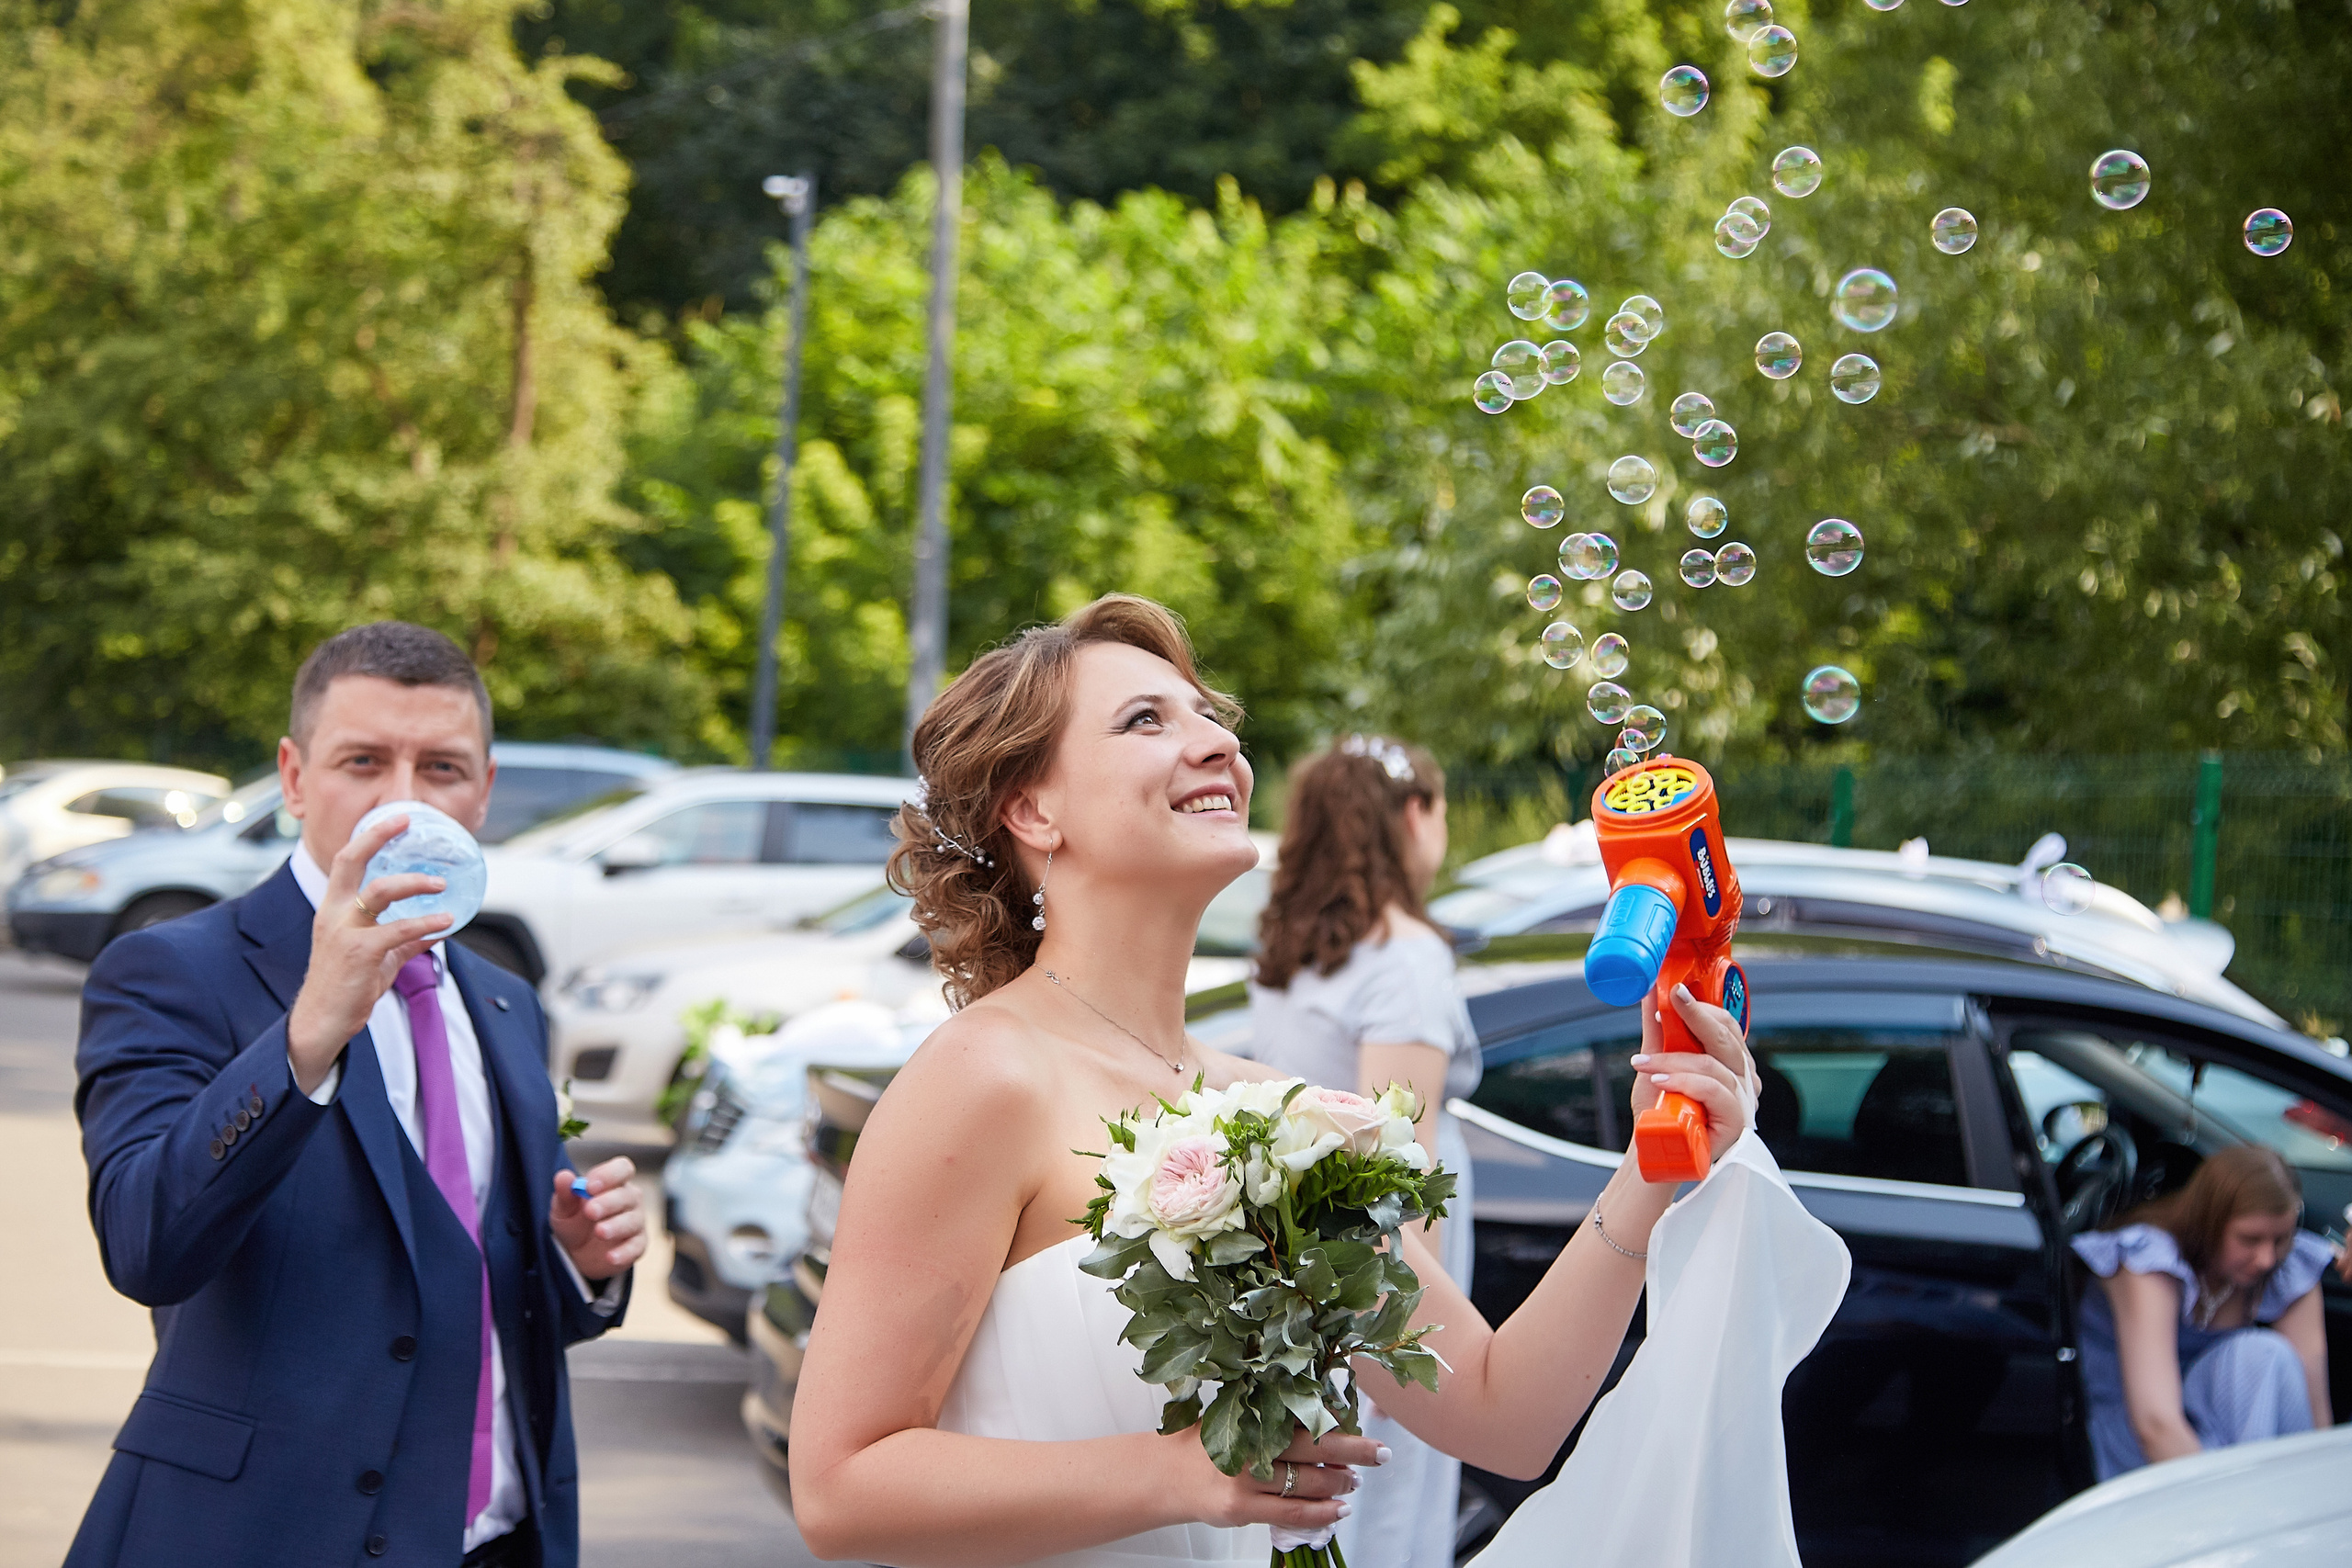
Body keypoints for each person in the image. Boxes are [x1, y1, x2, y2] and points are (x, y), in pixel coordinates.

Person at [786, 594, 1755, 1567]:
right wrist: (1178, 1475)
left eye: (1210, 716)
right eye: (1145, 721)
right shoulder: (986, 1075)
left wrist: (1650, 1168)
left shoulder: (1273, 1112)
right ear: (1034, 811)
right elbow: (838, 1489)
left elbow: (1503, 1415)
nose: (1215, 745)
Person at [67, 622, 647, 1568]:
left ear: (485, 793)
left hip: (497, 1538)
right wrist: (307, 1036)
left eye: (444, 770)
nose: (405, 801)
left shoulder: (506, 1002)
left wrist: (579, 1264)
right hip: (264, 1539)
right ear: (295, 778)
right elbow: (147, 1245)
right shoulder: (171, 970)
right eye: (364, 761)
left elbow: (484, 1279)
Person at [1247, 736, 1476, 1568]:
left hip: (1297, 1241)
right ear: (1413, 816)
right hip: (1370, 1263)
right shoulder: (1406, 957)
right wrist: (1408, 1338)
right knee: (1383, 1501)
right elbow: (1404, 1166)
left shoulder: (1292, 947)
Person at [2073, 1144, 2335, 1480]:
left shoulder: (2288, 1268)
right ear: (2210, 1224)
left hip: (2224, 1431)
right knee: (2260, 1355)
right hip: (2141, 1440)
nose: (2267, 1259)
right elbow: (2156, 1425)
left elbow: (2314, 1423)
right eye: (2250, 1239)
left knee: (2271, 1359)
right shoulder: (2151, 1262)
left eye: (2281, 1239)